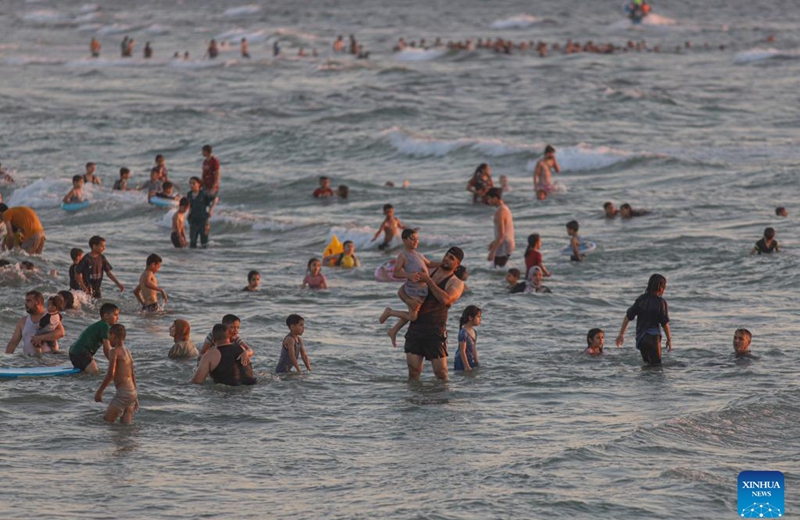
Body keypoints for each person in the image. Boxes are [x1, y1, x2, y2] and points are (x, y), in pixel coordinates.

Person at [403, 247, 466, 381]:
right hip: (416, 327)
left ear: (457, 264)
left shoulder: (456, 283)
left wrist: (428, 281)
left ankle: (442, 401)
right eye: (446, 255)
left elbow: (446, 299)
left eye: (451, 258)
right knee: (413, 373)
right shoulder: (428, 271)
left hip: (435, 330)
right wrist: (409, 301)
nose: (446, 259)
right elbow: (403, 289)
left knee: (441, 374)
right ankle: (413, 400)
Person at [379, 230, 439, 346]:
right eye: (412, 239)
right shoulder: (403, 255)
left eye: (417, 239)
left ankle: (393, 331)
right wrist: (408, 275)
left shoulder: (419, 254)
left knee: (411, 314)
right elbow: (396, 273)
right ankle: (390, 312)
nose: (416, 241)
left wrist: (442, 264)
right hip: (413, 290)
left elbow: (429, 263)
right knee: (413, 316)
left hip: (422, 290)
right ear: (404, 240)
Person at [615, 274, 672, 365]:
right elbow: (664, 323)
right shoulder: (661, 302)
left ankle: (643, 380)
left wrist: (621, 334)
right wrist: (669, 339)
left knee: (647, 366)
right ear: (661, 288)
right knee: (657, 366)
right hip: (653, 338)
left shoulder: (641, 299)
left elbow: (628, 317)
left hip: (641, 339)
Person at [94, 324, 139, 424]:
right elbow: (132, 374)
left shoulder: (114, 352)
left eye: (109, 336)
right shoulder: (128, 352)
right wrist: (135, 396)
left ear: (113, 335)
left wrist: (99, 392)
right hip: (132, 392)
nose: (108, 340)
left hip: (123, 393)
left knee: (107, 421)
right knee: (125, 427)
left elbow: (111, 374)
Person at [4, 291, 65, 355]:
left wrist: (40, 337)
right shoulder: (22, 321)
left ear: (37, 302)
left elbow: (61, 333)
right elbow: (13, 343)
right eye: (26, 301)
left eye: (29, 301)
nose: (25, 303)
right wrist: (6, 361)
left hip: (49, 360)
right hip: (30, 361)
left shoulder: (50, 316)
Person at [69, 303, 120, 375]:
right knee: (96, 374)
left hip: (73, 352)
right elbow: (106, 349)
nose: (117, 318)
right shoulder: (104, 325)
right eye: (115, 315)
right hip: (81, 353)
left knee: (86, 374)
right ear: (106, 315)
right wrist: (114, 364)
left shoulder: (100, 325)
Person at [486, 187, 515, 267]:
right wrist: (494, 242)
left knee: (497, 269)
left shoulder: (500, 212)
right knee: (499, 268)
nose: (488, 201)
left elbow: (501, 234)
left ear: (495, 198)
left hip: (504, 245)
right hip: (507, 243)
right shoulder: (505, 208)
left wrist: (492, 252)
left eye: (489, 199)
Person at [187, 176, 218, 248]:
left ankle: (203, 258)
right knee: (192, 242)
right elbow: (189, 206)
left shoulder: (203, 194)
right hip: (193, 220)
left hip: (203, 220)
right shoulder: (189, 194)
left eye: (193, 183)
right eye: (190, 183)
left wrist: (211, 210)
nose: (191, 185)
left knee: (204, 243)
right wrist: (188, 214)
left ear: (199, 184)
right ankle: (193, 257)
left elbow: (215, 199)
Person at [454, 305, 481, 371]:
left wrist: (476, 362)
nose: (480, 319)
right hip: (461, 361)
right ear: (470, 318)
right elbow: (462, 351)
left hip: (469, 359)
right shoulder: (463, 332)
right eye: (478, 317)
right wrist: (466, 366)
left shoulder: (474, 332)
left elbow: (474, 349)